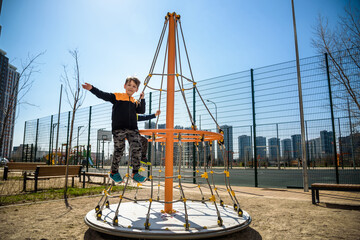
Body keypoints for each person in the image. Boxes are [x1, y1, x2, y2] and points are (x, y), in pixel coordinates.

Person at [82, 77, 147, 183]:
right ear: (125, 86)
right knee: (119, 149)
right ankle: (114, 172)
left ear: (137, 89)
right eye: (129, 85)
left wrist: (142, 99)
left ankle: (135, 172)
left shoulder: (135, 102)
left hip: (132, 129)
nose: (131, 87)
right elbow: (103, 95)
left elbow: (142, 110)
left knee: (137, 147)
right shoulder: (117, 96)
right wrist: (92, 88)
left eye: (134, 86)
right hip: (119, 129)